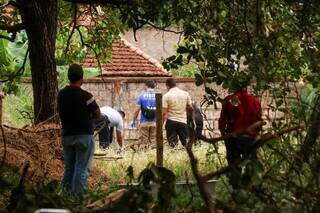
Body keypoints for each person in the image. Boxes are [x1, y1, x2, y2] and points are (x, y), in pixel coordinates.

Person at [58, 64, 100, 195]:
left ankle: (64, 197)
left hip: (67, 135)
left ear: (69, 77)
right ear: (82, 78)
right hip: (84, 136)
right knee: (81, 169)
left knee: (69, 169)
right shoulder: (86, 96)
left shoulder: (61, 94)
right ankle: (78, 200)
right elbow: (97, 113)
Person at [218, 84, 262, 189]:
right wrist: (256, 134)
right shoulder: (255, 100)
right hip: (250, 138)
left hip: (233, 138)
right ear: (246, 87)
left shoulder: (230, 99)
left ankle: (236, 189)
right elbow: (259, 120)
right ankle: (255, 188)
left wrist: (224, 135)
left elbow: (222, 120)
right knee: (252, 164)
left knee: (234, 165)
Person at [163, 78, 193, 147]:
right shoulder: (185, 94)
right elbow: (190, 107)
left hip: (171, 122)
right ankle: (187, 156)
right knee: (186, 143)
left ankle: (174, 155)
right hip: (183, 121)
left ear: (167, 86)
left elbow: (164, 113)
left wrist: (161, 124)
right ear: (175, 84)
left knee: (173, 144)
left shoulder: (166, 96)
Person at [133, 80, 156, 148]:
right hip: (155, 122)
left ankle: (144, 156)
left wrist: (134, 120)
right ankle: (154, 156)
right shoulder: (158, 96)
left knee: (143, 142)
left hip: (144, 122)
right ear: (154, 86)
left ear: (146, 86)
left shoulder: (141, 96)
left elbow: (137, 110)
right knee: (154, 142)